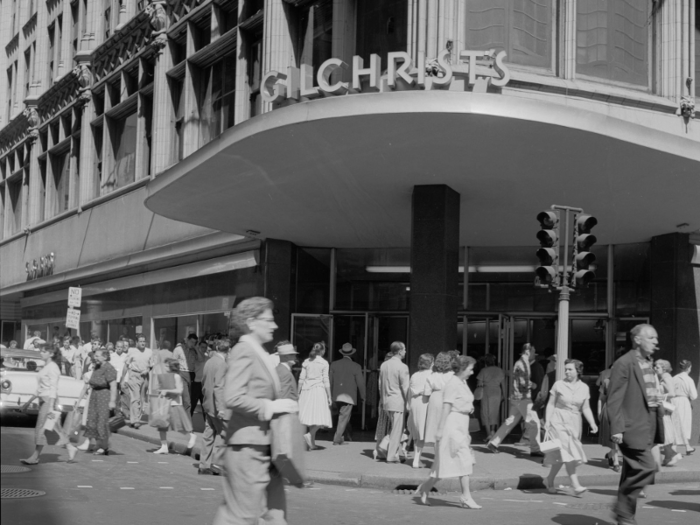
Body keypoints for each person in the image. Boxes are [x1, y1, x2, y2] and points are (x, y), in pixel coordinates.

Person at [213, 297, 298, 525]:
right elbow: (233, 396)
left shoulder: (258, 351)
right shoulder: (244, 350)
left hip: (266, 448)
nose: (275, 325)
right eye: (268, 320)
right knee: (240, 518)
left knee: (274, 517)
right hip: (248, 449)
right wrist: (270, 407)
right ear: (251, 322)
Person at [607, 324, 665, 525]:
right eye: (651, 337)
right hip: (632, 428)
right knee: (647, 467)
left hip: (648, 425)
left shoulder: (648, 362)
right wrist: (617, 429)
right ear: (638, 340)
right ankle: (621, 508)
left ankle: (625, 518)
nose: (656, 342)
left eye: (656, 338)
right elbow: (614, 399)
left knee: (632, 472)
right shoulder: (624, 363)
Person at [414, 355, 481, 509]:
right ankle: (466, 496)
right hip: (452, 427)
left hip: (461, 425)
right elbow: (446, 407)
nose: (472, 372)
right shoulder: (453, 383)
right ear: (463, 368)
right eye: (470, 369)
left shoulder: (461, 382)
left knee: (448, 465)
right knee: (461, 461)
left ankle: (426, 487)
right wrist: (440, 429)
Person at [543, 359, 598, 496]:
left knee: (562, 455)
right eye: (565, 369)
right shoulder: (558, 385)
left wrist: (592, 423)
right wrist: (548, 420)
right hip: (558, 420)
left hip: (574, 422)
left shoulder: (584, 388)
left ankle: (549, 480)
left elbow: (585, 408)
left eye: (570, 369)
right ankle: (576, 485)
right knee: (568, 453)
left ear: (578, 371)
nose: (566, 371)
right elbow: (550, 404)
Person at [487, 343, 540, 456]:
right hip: (523, 398)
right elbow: (523, 382)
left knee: (510, 421)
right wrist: (533, 385)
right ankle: (535, 449)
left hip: (516, 398)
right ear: (527, 351)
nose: (534, 354)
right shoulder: (524, 363)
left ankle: (494, 442)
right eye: (533, 351)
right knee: (534, 423)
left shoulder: (518, 362)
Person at [20, 344, 70, 464]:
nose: (41, 353)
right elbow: (40, 388)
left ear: (51, 354)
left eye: (43, 351)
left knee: (41, 428)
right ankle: (70, 448)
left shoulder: (53, 367)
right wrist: (28, 402)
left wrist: (51, 405)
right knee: (53, 429)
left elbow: (53, 388)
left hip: (48, 400)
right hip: (43, 399)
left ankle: (35, 457)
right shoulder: (46, 366)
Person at [71, 348, 118, 458]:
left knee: (102, 422)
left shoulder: (109, 368)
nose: (95, 358)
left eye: (97, 356)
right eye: (94, 356)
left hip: (104, 396)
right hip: (94, 396)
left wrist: (112, 401)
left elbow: (113, 386)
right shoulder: (96, 367)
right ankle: (98, 444)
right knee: (93, 421)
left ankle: (104, 447)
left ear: (105, 357)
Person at [199, 339, 231, 475]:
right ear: (228, 351)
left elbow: (203, 382)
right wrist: (221, 408)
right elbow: (219, 386)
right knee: (228, 436)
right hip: (217, 407)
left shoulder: (209, 361)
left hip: (208, 404)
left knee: (208, 435)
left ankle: (204, 465)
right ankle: (218, 464)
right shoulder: (222, 364)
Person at [153, 358, 197, 454]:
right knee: (162, 426)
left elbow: (179, 391)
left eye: (166, 365)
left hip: (174, 404)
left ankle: (191, 436)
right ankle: (164, 446)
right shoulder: (165, 376)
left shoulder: (176, 376)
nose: (164, 367)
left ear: (171, 367)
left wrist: (166, 391)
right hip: (165, 404)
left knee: (179, 426)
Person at [376, 341, 409, 464]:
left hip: (386, 401)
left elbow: (380, 385)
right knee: (397, 430)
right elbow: (405, 387)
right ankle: (390, 454)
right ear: (399, 351)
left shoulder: (384, 365)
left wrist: (383, 399)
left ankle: (388, 449)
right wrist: (409, 402)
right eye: (404, 349)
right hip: (398, 401)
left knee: (394, 428)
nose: (405, 351)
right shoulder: (403, 367)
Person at [329, 343, 366, 446]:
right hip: (349, 396)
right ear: (352, 354)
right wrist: (363, 396)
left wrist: (329, 395)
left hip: (335, 394)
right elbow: (360, 383)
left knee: (343, 417)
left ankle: (343, 437)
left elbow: (330, 381)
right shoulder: (356, 366)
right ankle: (337, 439)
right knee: (344, 417)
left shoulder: (334, 364)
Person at [298, 341, 332, 450]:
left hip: (306, 390)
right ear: (322, 351)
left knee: (310, 416)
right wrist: (329, 395)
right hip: (318, 390)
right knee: (320, 416)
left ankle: (312, 443)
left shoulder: (306, 362)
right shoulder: (324, 363)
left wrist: (298, 392)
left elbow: (301, 379)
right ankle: (309, 435)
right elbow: (326, 380)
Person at [598, 351, 625, 472]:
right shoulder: (606, 382)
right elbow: (601, 398)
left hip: (623, 411)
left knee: (622, 438)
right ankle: (615, 462)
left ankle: (610, 455)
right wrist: (599, 412)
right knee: (614, 438)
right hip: (610, 410)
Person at [654, 359, 683, 467]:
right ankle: (668, 457)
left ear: (664, 368)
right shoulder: (664, 377)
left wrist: (658, 397)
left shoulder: (666, 377)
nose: (655, 369)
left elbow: (672, 393)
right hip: (666, 408)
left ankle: (672, 455)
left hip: (666, 409)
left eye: (657, 367)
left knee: (665, 433)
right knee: (666, 433)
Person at [423, 351, 455, 451]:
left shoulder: (432, 375)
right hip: (448, 399)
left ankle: (437, 456)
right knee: (448, 427)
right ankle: (446, 456)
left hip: (435, 398)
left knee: (435, 428)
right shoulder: (453, 375)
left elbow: (427, 393)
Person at [407, 353, 434, 468]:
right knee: (431, 432)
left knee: (418, 433)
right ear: (431, 363)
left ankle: (416, 459)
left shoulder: (414, 375)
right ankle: (437, 461)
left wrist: (408, 405)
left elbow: (409, 392)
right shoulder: (433, 374)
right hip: (426, 403)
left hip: (415, 402)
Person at [122, 334, 153, 428]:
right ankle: (136, 420)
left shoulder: (149, 351)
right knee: (136, 398)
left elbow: (151, 365)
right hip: (134, 375)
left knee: (142, 399)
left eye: (144, 341)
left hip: (145, 376)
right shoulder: (132, 351)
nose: (143, 343)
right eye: (141, 341)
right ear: (137, 343)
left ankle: (134, 419)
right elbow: (126, 365)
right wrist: (123, 378)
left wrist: (147, 370)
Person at [475, 354, 505, 441]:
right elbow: (503, 384)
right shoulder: (499, 370)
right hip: (497, 392)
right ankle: (493, 431)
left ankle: (489, 434)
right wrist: (504, 394)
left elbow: (479, 384)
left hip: (486, 392)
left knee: (485, 413)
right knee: (494, 412)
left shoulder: (483, 370)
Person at [671, 360, 697, 455]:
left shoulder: (674, 378)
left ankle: (686, 446)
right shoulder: (689, 380)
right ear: (688, 368)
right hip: (683, 402)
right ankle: (677, 448)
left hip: (674, 401)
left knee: (676, 423)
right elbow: (694, 395)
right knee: (683, 423)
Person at [172, 339, 193, 414]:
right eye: (191, 341)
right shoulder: (178, 350)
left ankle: (185, 421)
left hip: (190, 374)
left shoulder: (192, 351)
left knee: (186, 400)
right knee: (186, 400)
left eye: (194, 342)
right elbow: (173, 363)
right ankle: (186, 422)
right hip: (181, 373)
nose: (192, 344)